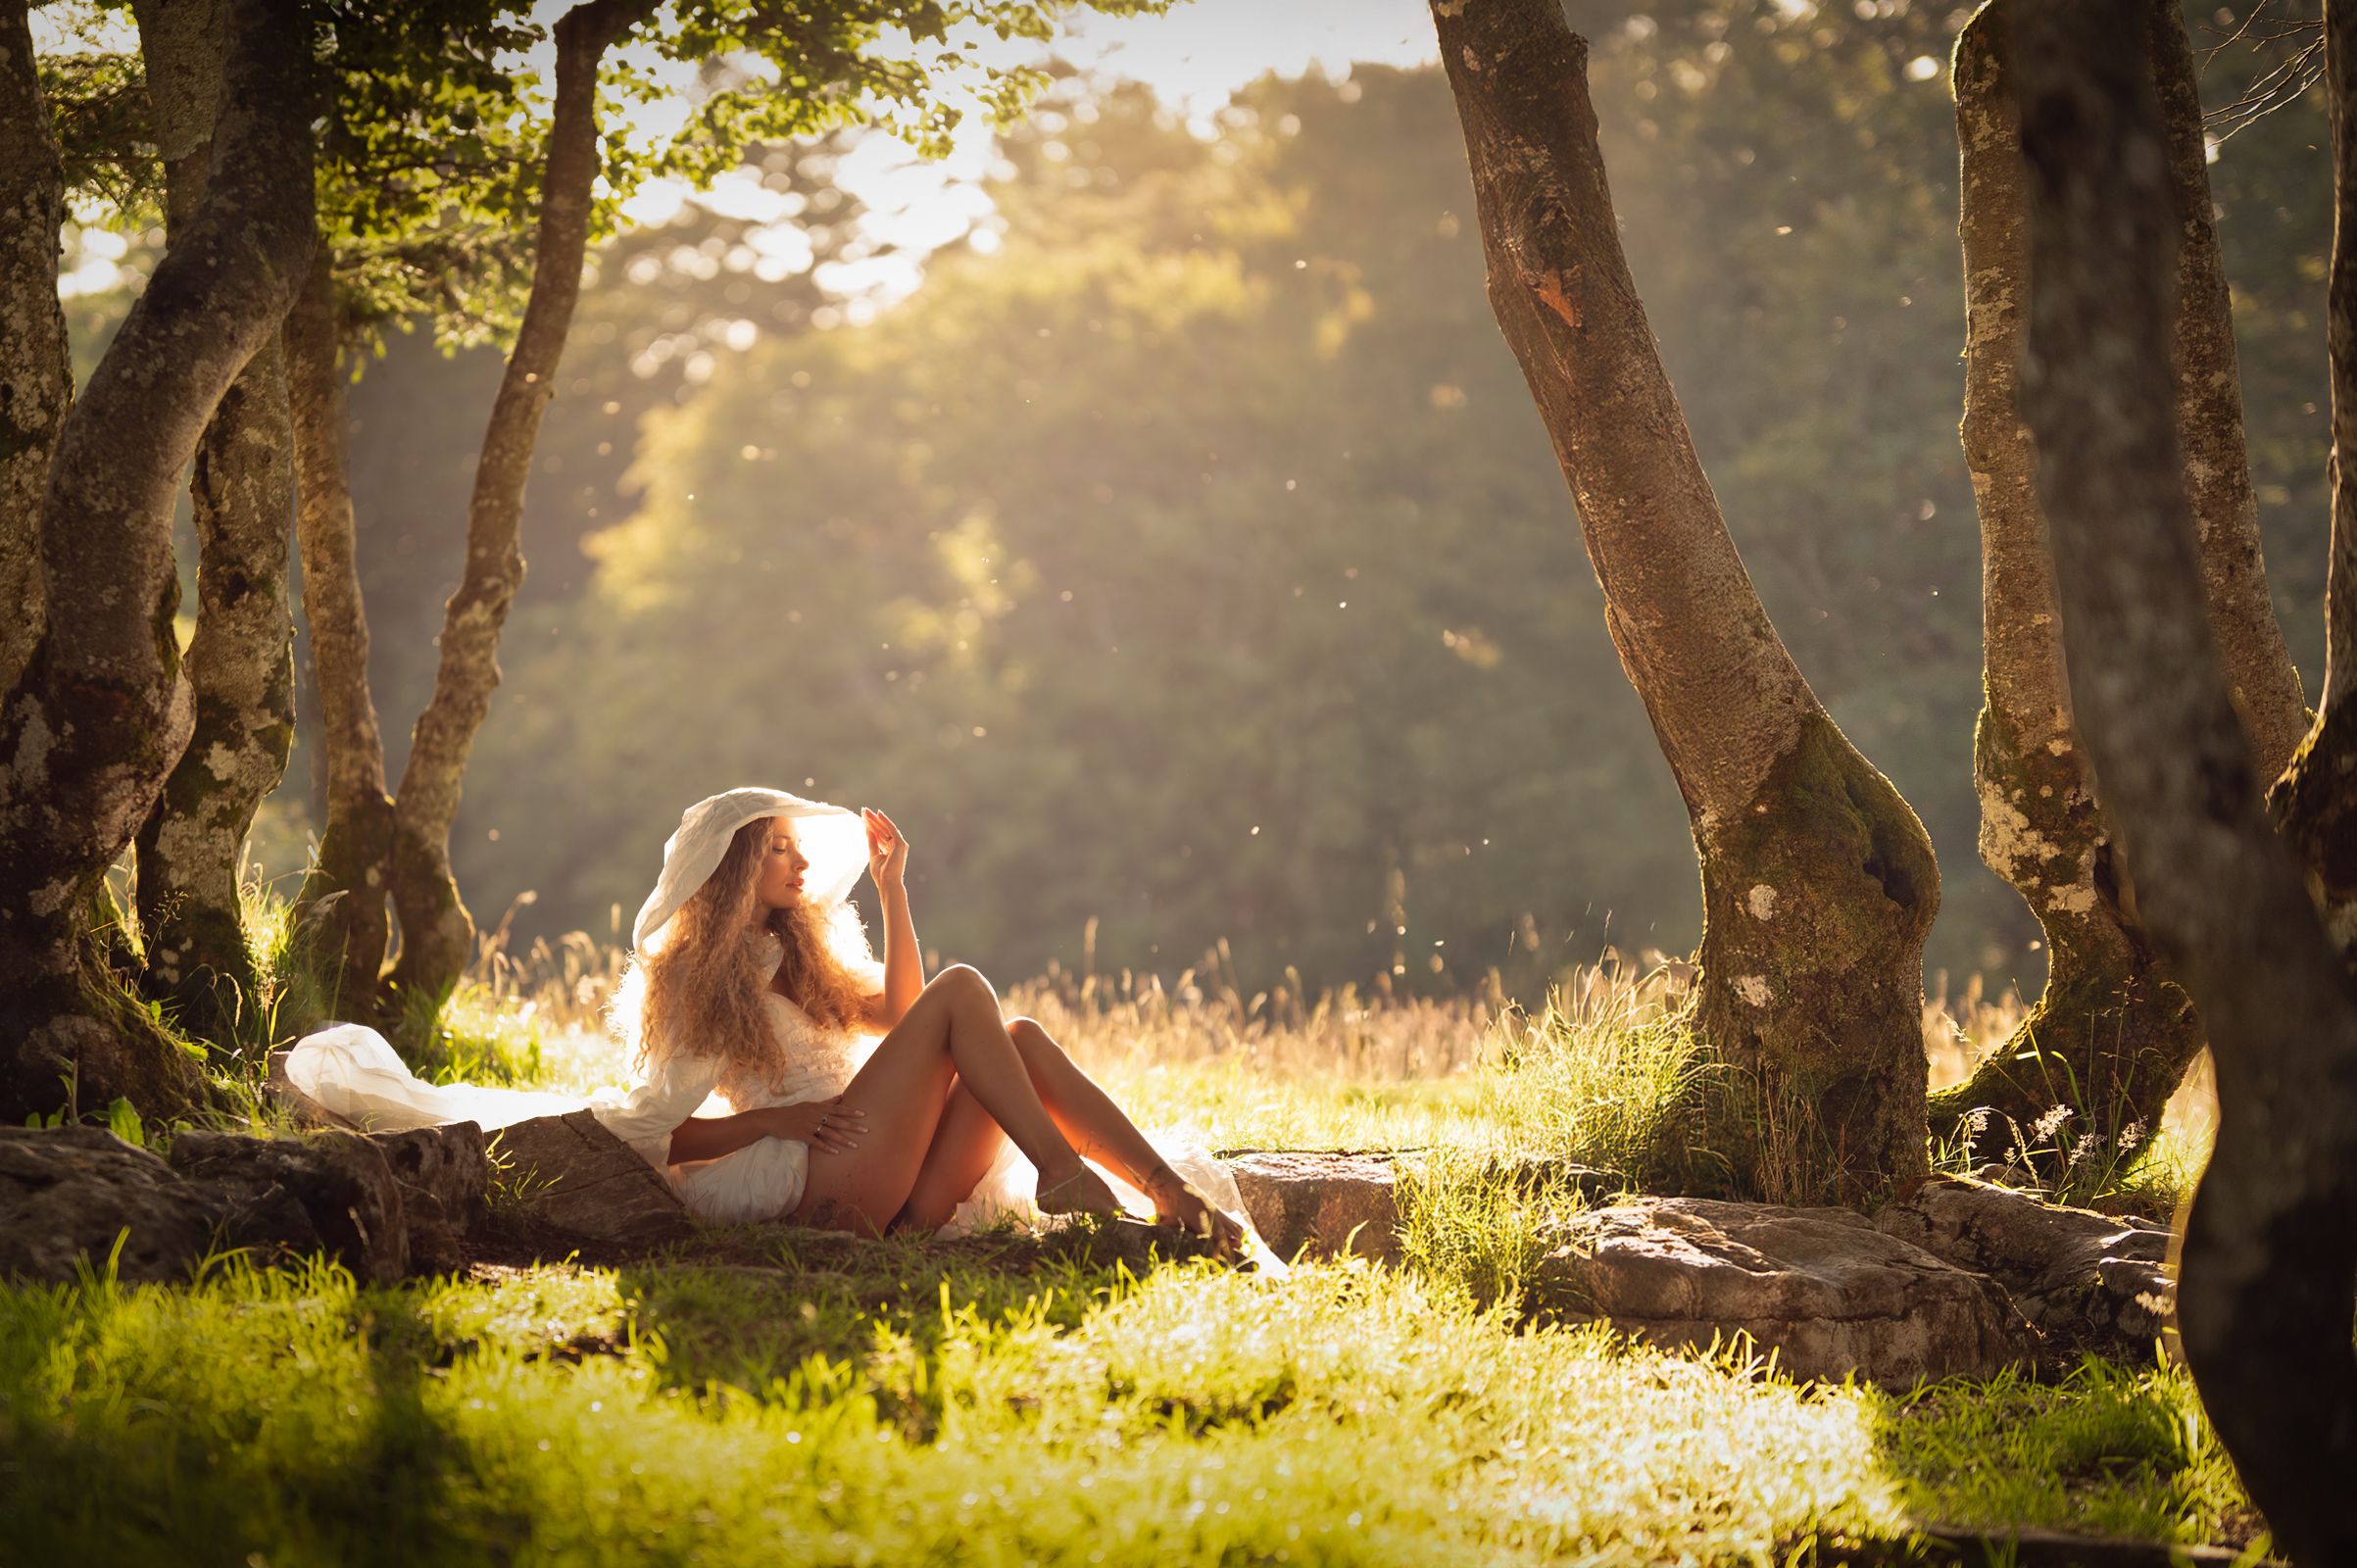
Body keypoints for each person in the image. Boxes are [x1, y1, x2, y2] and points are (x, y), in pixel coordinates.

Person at [286, 788, 1252, 1253]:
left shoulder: (804, 953)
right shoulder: (696, 981)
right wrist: (770, 1123)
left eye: (798, 850)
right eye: (780, 851)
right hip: (812, 1169)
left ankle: (1168, 1195)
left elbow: (911, 1018)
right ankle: (1063, 1171)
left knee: (1023, 1039)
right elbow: (657, 1136)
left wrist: (895, 891)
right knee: (974, 994)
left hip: (884, 1165)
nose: (798, 867)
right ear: (735, 865)